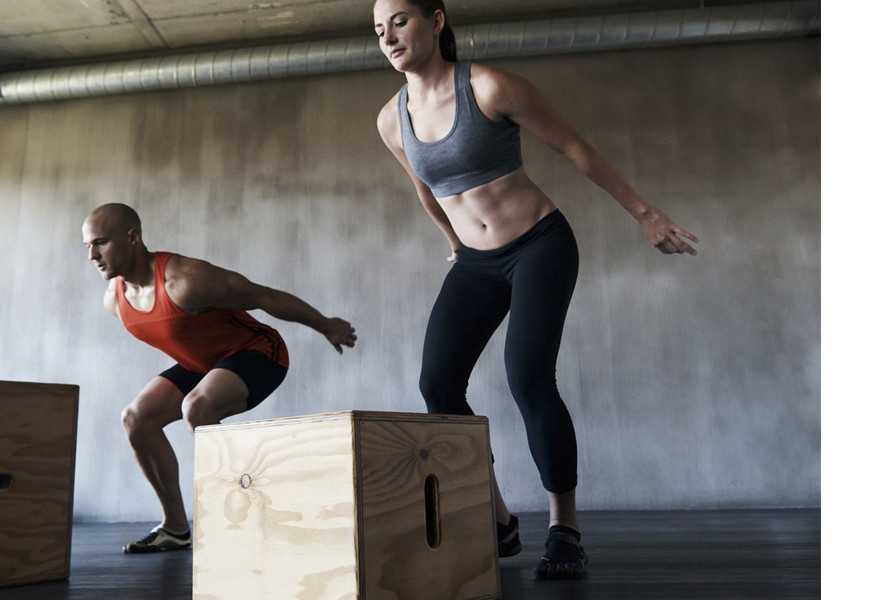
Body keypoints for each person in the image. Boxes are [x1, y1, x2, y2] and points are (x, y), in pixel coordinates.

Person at [371, 0, 699, 579]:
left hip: (538, 246)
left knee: (527, 375)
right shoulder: (390, 119)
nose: (388, 36)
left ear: (436, 20)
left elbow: (575, 148)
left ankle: (564, 529)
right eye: (378, 29)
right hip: (476, 261)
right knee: (438, 383)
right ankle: (497, 520)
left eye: (399, 19)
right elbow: (425, 188)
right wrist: (454, 240)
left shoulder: (491, 87)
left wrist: (646, 215)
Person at [82, 202, 357, 553]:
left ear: (132, 237)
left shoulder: (185, 281)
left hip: (259, 352)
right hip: (202, 363)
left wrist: (326, 325)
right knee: (137, 419)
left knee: (197, 407)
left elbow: (263, 296)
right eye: (88, 246)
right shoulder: (115, 299)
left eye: (100, 243)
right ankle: (176, 528)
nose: (92, 255)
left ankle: (238, 516)